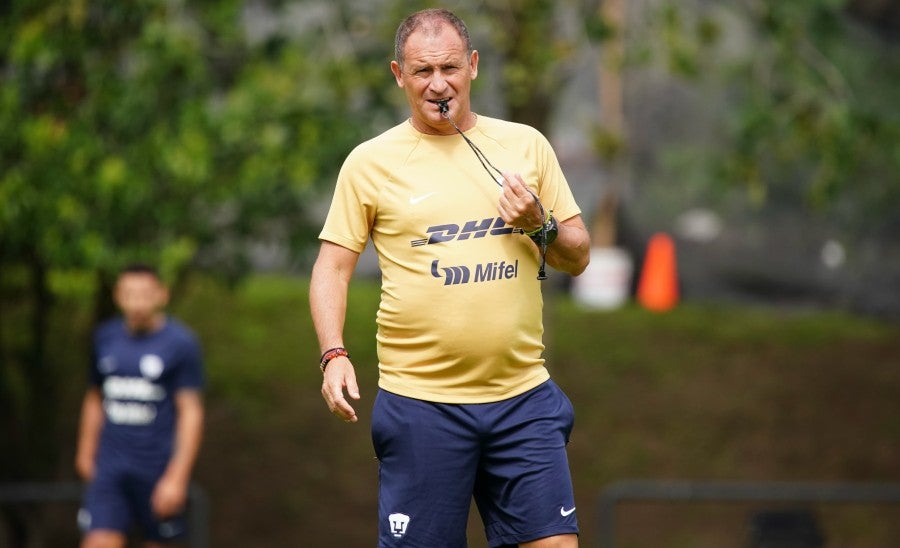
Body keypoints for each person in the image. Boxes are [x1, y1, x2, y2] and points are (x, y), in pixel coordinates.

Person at [310, 8, 590, 547]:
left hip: (522, 401)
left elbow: (577, 256)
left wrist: (540, 225)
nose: (438, 83)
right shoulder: (370, 163)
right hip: (421, 407)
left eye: (450, 67)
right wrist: (333, 354)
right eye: (422, 71)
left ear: (474, 66)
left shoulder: (525, 145)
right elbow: (332, 267)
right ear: (398, 75)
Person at [75, 264, 205, 548]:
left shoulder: (181, 343)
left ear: (162, 295)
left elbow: (190, 411)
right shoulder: (104, 338)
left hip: (156, 468)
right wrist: (85, 452)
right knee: (98, 540)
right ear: (117, 296)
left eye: (145, 294)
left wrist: (177, 476)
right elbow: (95, 396)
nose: (137, 302)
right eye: (130, 293)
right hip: (110, 467)